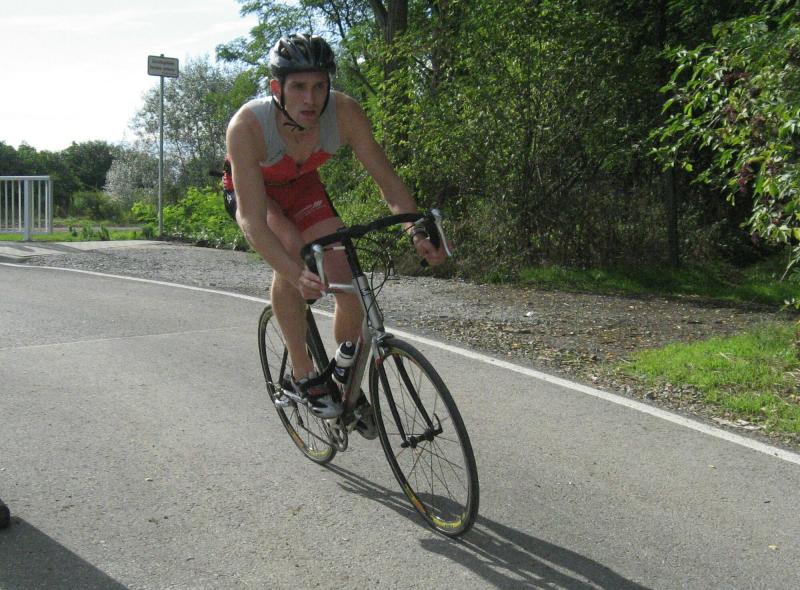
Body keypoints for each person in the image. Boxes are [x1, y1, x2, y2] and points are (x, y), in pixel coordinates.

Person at [225, 34, 446, 424]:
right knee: (293, 251)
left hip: (303, 186)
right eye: (299, 87)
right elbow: (251, 222)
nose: (310, 99)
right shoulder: (248, 126)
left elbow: (387, 180)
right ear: (277, 88)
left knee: (345, 276)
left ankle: (345, 375)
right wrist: (295, 274)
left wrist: (415, 229)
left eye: (319, 86)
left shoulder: (344, 112)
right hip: (256, 195)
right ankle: (302, 372)